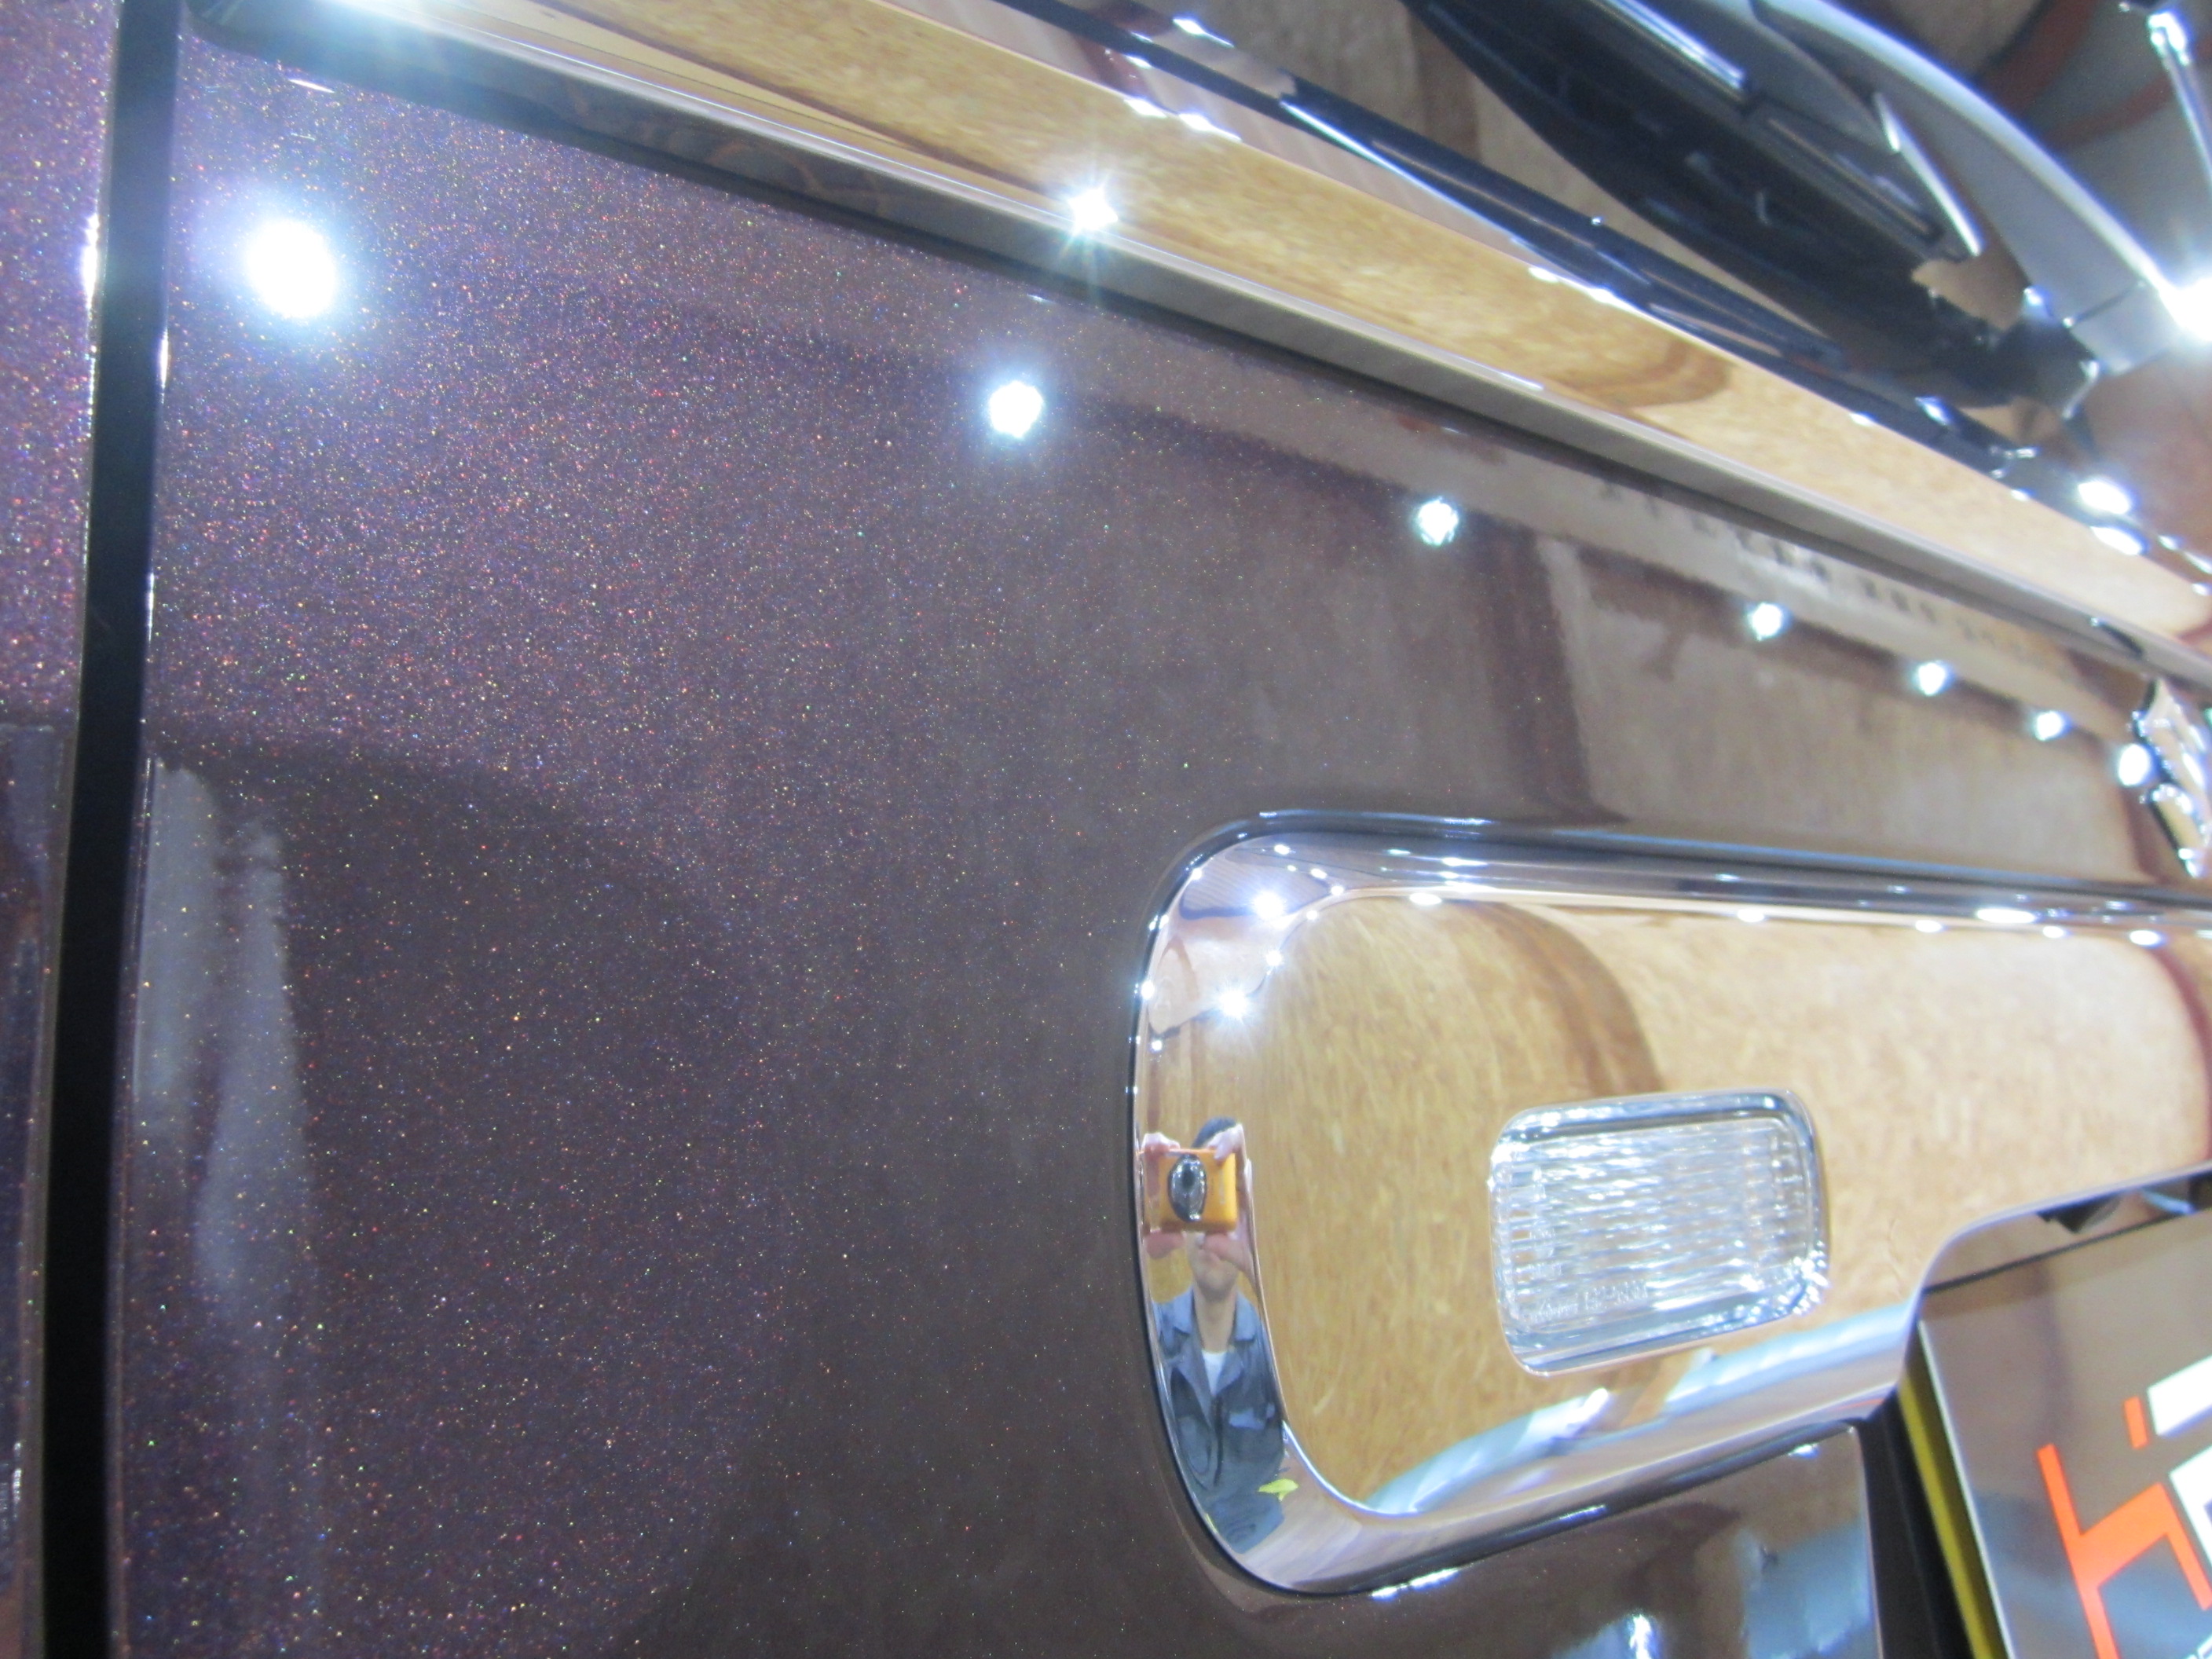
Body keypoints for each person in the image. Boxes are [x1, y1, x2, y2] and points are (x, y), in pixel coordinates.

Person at [1142, 1116, 1290, 1551]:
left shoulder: (1281, 1354)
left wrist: (1263, 1266)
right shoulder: (1146, 1340)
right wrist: (1116, 1229)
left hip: (1267, 1556)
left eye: (1228, 1197)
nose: (1213, 1225)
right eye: (1199, 1188)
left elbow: (1332, 1414)